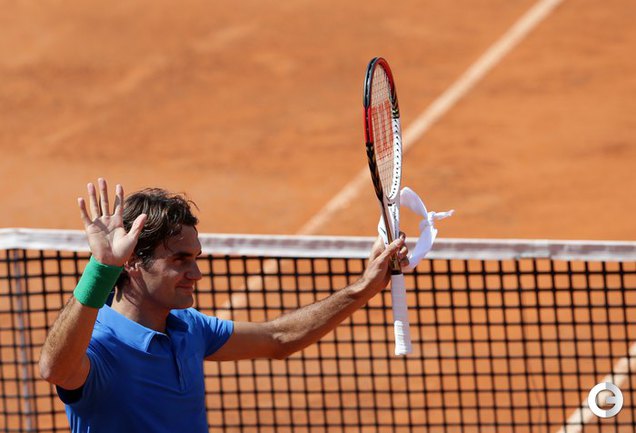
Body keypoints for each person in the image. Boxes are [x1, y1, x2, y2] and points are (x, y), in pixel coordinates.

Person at [39, 178, 409, 433]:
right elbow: (55, 368)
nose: (196, 273)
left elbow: (279, 338)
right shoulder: (102, 346)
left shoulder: (190, 327)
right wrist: (101, 269)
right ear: (132, 262)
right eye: (180, 260)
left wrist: (364, 286)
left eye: (195, 258)